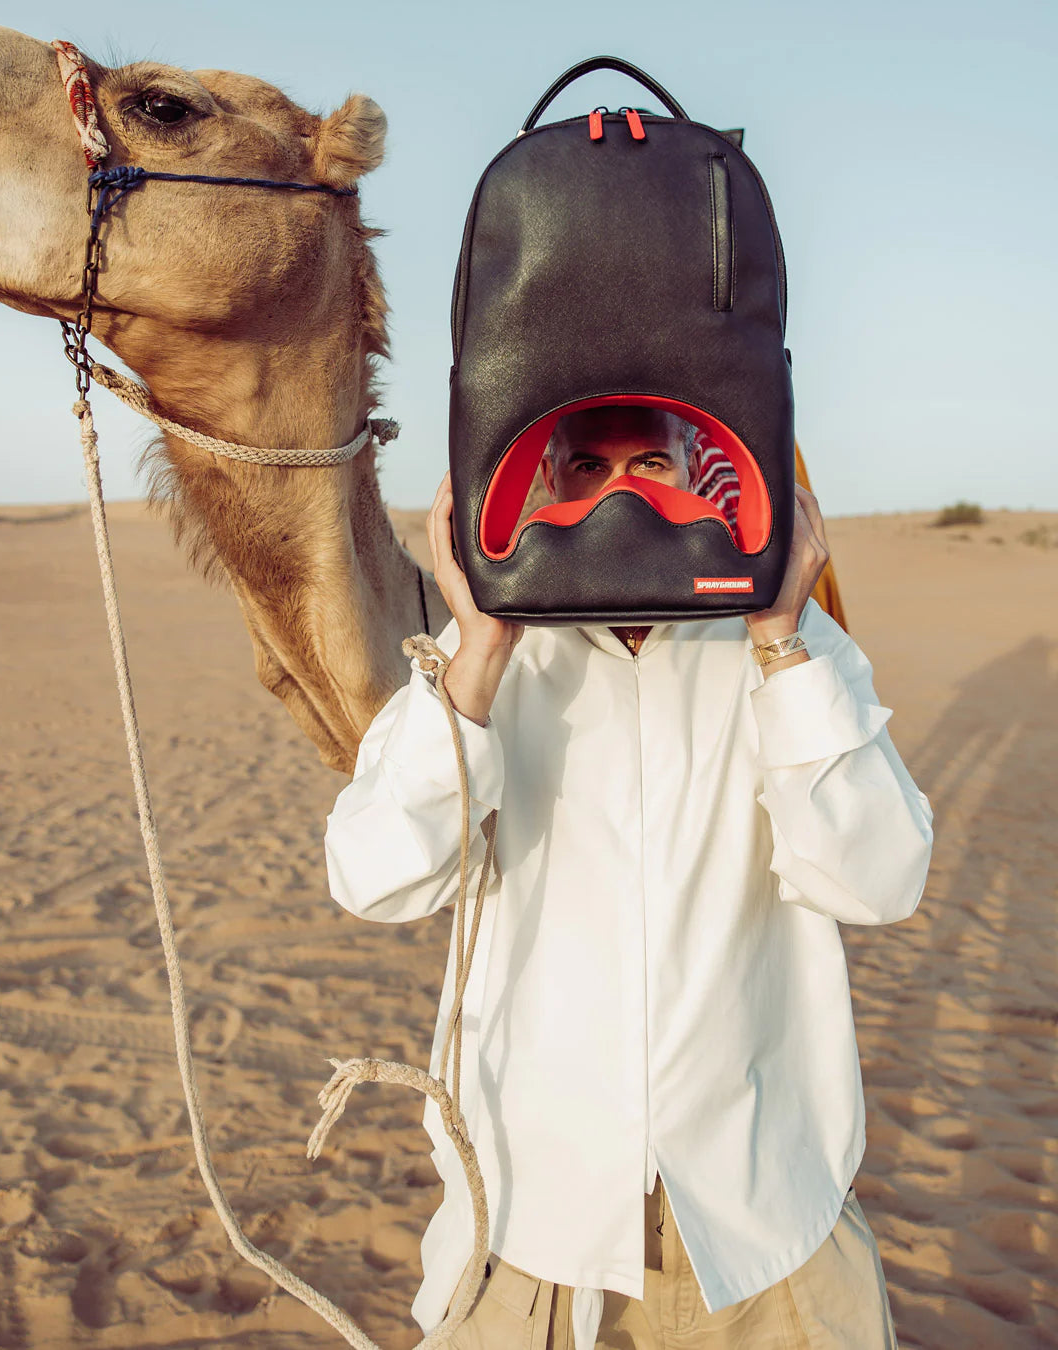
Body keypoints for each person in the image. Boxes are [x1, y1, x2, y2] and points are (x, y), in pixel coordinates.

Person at [323, 405, 934, 1349]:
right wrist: (479, 653)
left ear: (697, 471)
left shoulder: (786, 641)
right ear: (547, 481)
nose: (621, 497)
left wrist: (780, 640)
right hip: (533, 1226)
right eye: (587, 467)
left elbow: (880, 879)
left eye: (651, 462)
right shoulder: (486, 654)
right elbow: (374, 878)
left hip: (764, 1223)